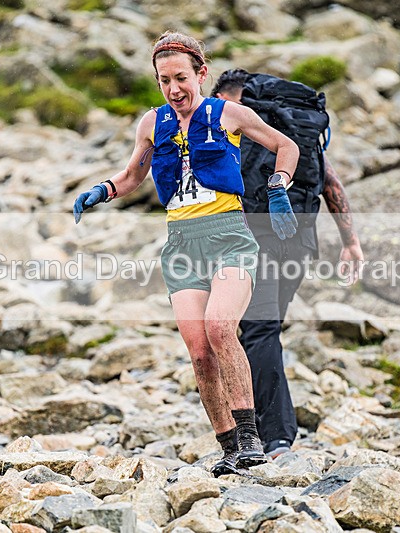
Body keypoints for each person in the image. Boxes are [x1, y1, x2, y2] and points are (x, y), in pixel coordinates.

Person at [72, 32, 301, 476]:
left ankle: (252, 436)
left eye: (181, 78)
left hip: (229, 235)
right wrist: (101, 191)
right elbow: (133, 175)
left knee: (220, 327)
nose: (174, 89)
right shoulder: (151, 123)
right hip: (181, 244)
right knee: (198, 351)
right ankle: (229, 447)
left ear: (201, 74)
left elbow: (285, 146)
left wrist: (278, 187)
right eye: (164, 81)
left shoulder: (228, 113)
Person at [212, 69, 364, 457]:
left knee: (258, 331)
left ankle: (276, 436)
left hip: (257, 238)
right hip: (300, 241)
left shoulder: (234, 119)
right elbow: (329, 182)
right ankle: (265, 426)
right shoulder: (294, 122)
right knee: (265, 329)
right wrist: (351, 242)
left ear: (226, 95)